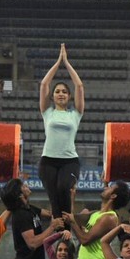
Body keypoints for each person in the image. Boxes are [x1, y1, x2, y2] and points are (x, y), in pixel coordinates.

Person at [39, 43, 85, 219]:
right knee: (54, 199)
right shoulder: (47, 112)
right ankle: (58, 236)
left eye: (64, 92)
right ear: (53, 96)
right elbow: (44, 84)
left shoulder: (75, 114)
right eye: (57, 91)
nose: (60, 94)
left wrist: (66, 63)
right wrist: (58, 62)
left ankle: (67, 230)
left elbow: (79, 86)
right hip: (48, 161)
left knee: (63, 188)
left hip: (69, 161)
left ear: (69, 96)